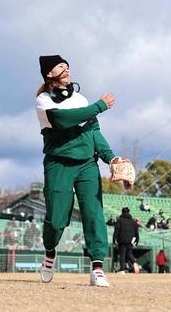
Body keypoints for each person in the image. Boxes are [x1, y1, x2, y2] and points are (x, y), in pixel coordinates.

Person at [35, 55, 117, 287]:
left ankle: (98, 267)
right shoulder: (43, 100)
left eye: (67, 65)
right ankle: (50, 251)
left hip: (86, 165)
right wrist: (98, 107)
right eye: (60, 65)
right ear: (49, 73)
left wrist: (111, 158)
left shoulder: (82, 99)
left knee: (94, 214)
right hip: (58, 163)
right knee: (56, 220)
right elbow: (62, 120)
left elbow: (94, 133)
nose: (66, 68)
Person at [113, 207, 140, 274]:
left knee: (122, 255)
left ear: (122, 212)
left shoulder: (119, 220)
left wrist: (114, 239)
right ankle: (134, 261)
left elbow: (116, 230)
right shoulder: (133, 221)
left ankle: (122, 270)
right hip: (130, 240)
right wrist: (137, 240)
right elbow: (136, 232)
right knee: (129, 253)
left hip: (122, 240)